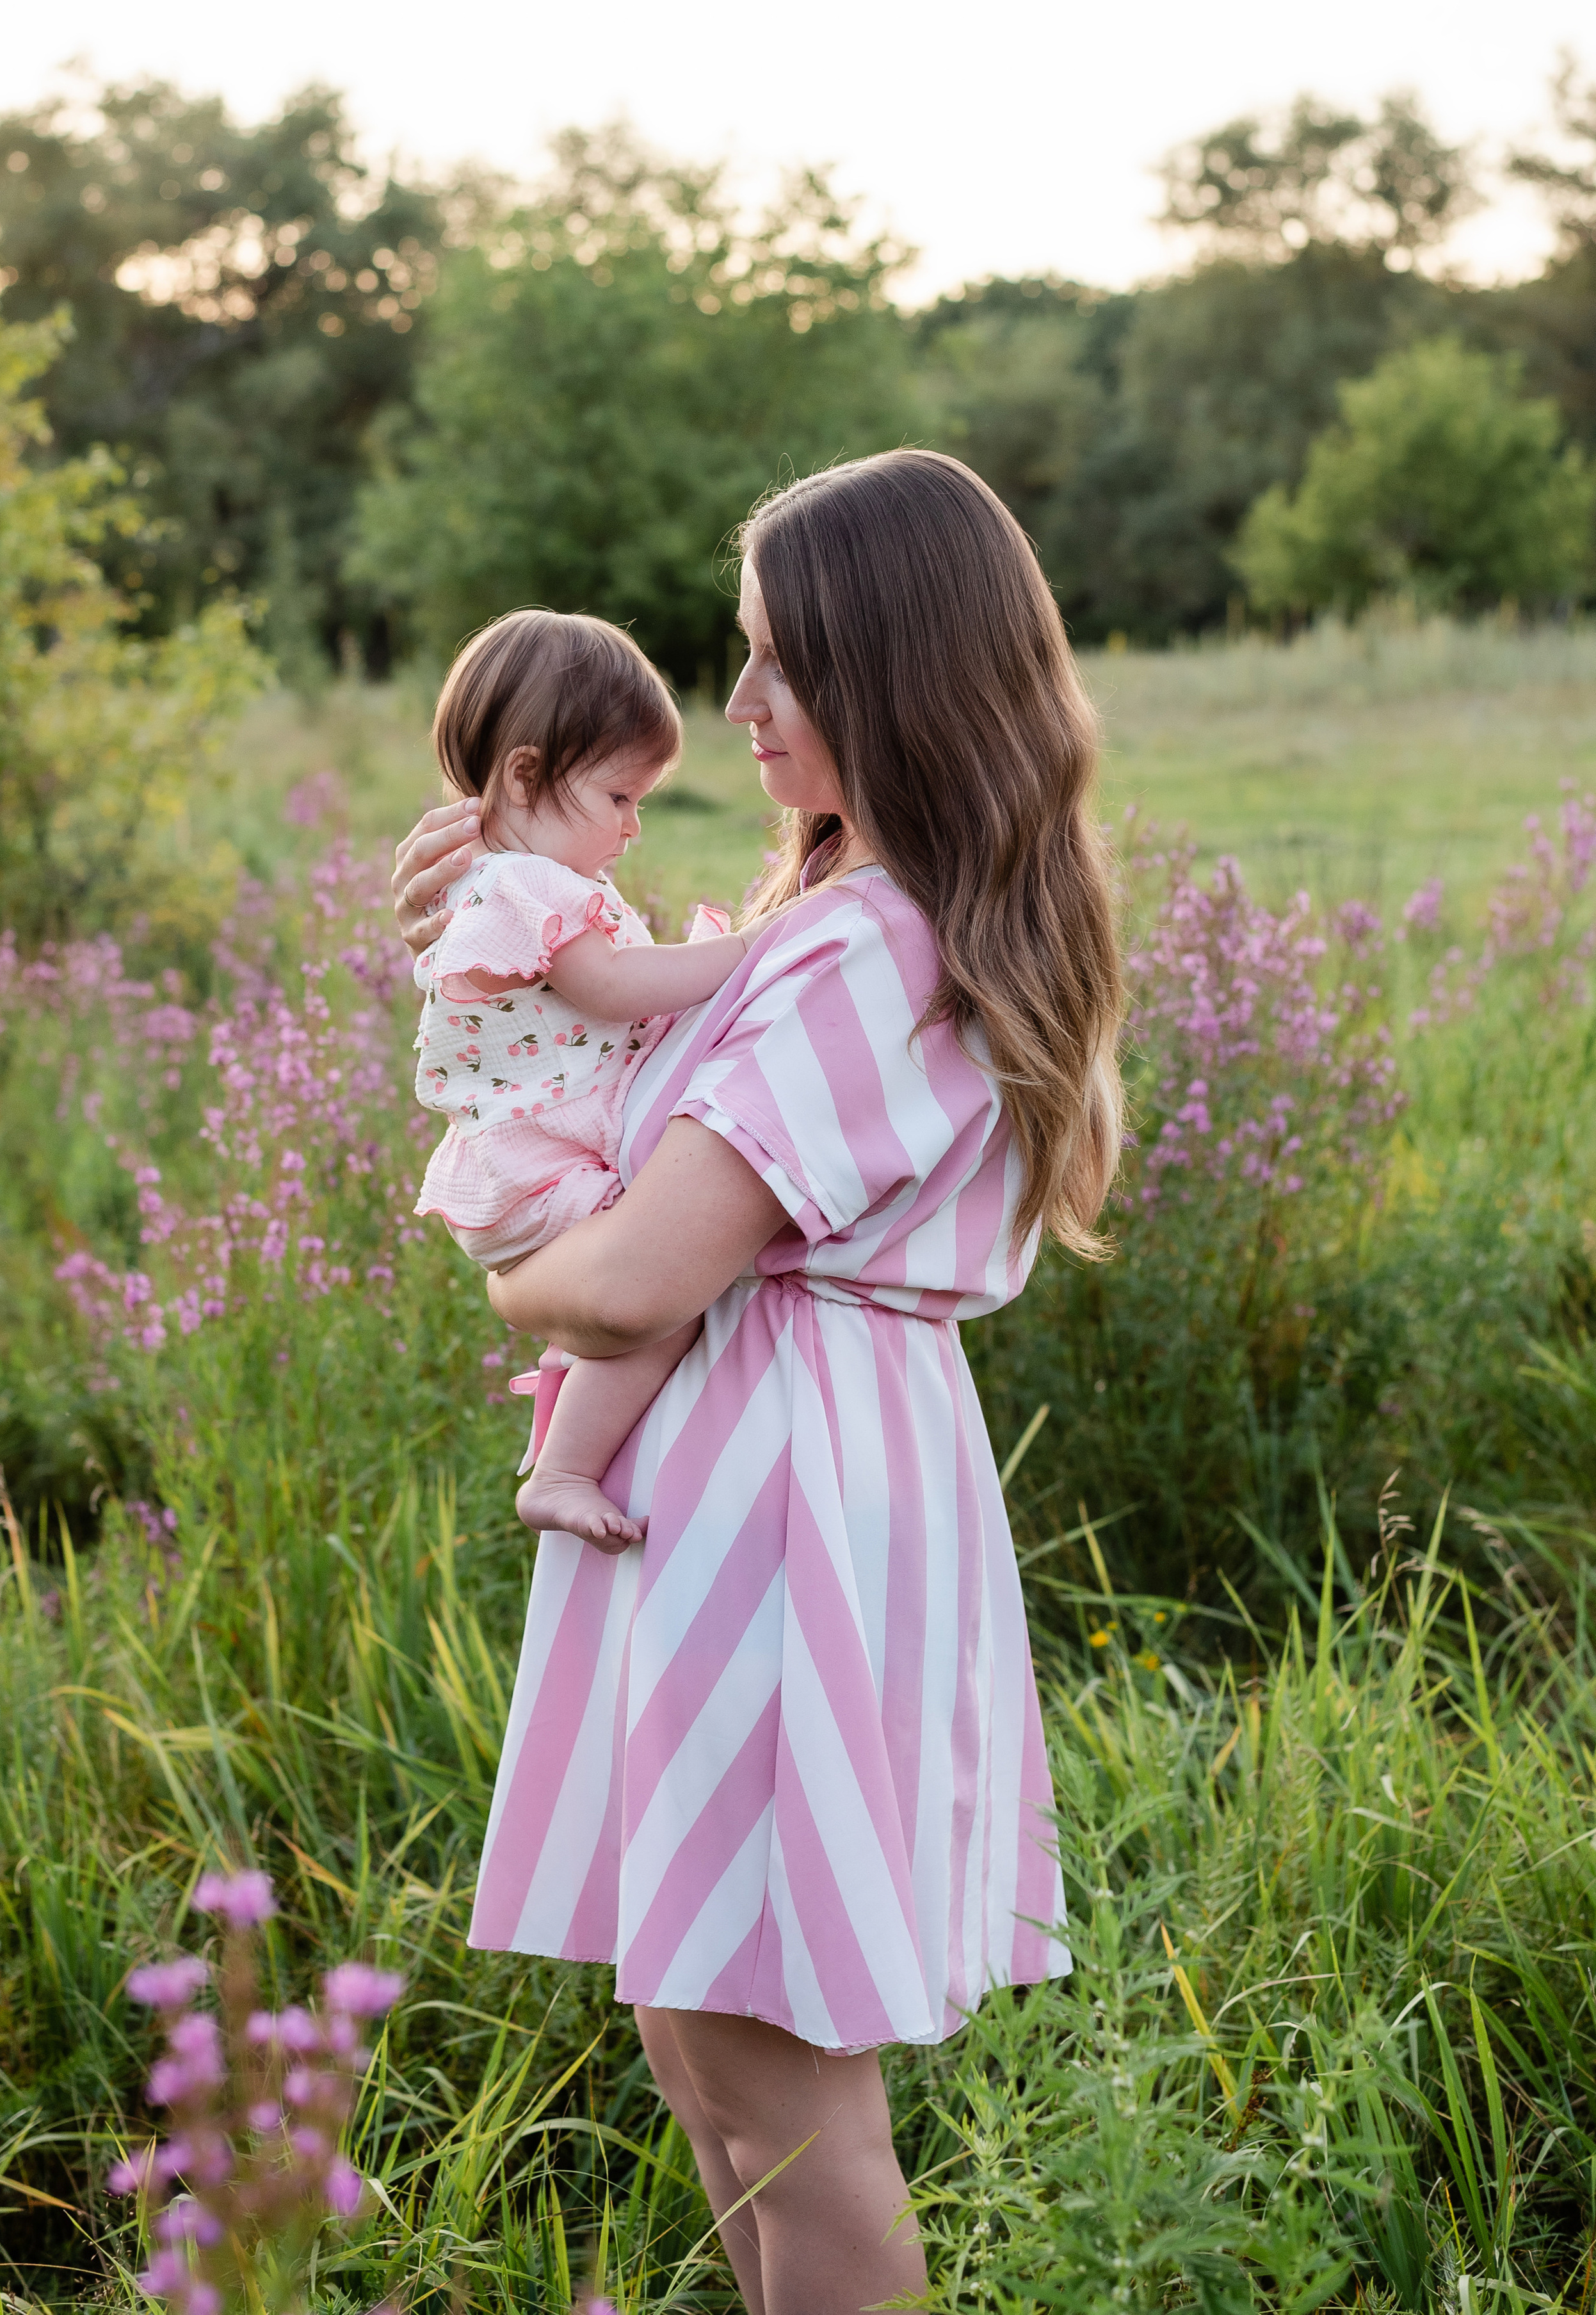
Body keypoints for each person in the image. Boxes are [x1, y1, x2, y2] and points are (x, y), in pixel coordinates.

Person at [390, 450, 1125, 2315]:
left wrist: (518, 1284)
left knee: (776, 2081)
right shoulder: (843, 913)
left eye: (780, 664)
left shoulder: (872, 950)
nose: (738, 710)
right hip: (751, 1467)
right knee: (706, 2044)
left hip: (779, 1496)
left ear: (897, 672)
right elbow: (611, 1118)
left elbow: (636, 1271)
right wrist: (490, 933)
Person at [408, 607, 766, 1552]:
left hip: (525, 1159)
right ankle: (561, 1470)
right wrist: (748, 953)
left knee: (647, 1280)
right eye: (618, 797)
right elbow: (610, 990)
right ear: (525, 774)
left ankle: (573, 1443)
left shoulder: (507, 878)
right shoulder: (524, 886)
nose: (634, 826)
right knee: (665, 1292)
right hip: (533, 1165)